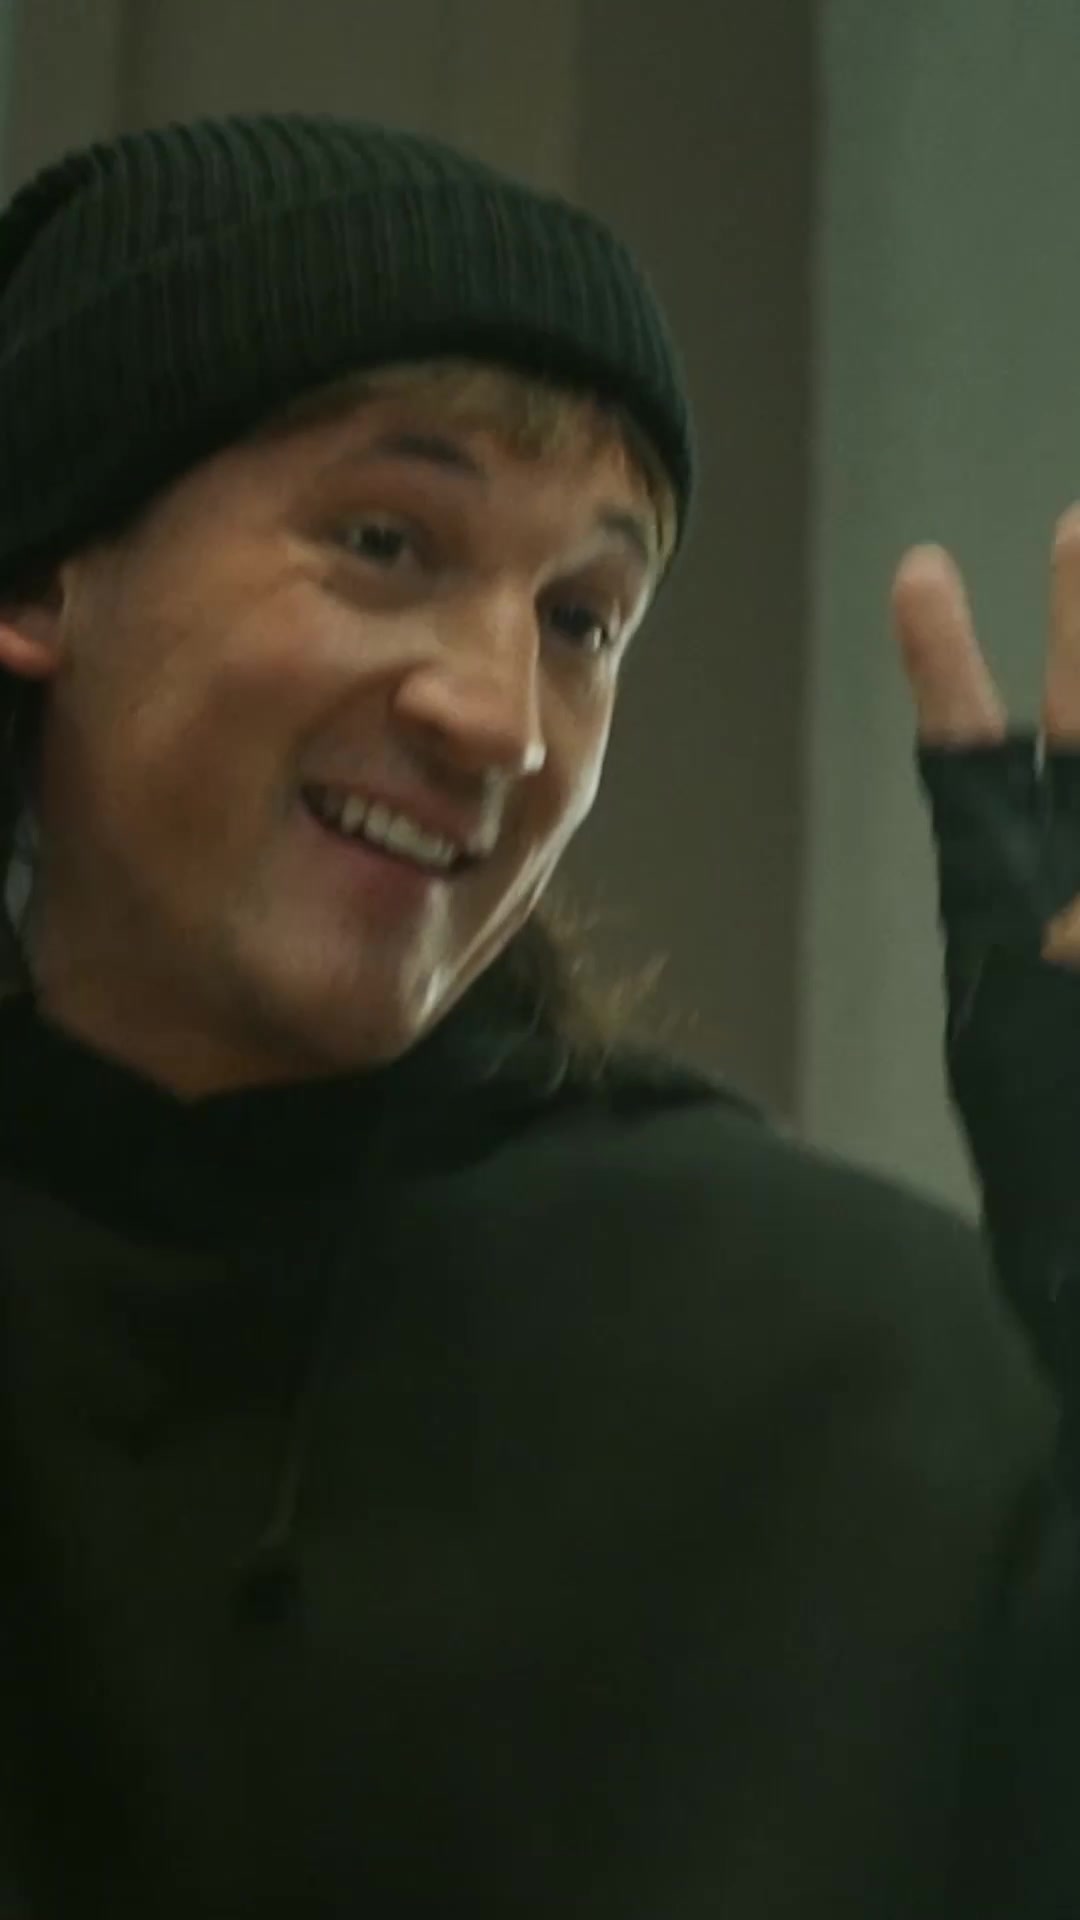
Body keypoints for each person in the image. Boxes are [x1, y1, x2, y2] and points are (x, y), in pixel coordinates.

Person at [0, 110, 1061, 1920]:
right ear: (44, 577)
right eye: (384, 540)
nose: (501, 719)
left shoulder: (860, 1379)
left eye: (583, 619)